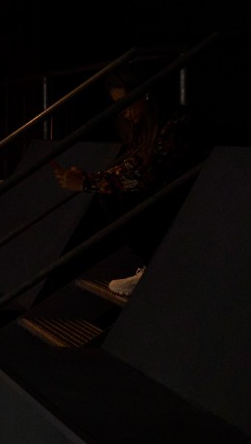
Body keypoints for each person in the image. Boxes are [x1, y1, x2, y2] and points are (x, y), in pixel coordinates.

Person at [52, 65, 197, 297]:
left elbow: (147, 180)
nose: (123, 112)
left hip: (185, 204)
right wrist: (90, 180)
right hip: (163, 199)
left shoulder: (175, 124)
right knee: (112, 197)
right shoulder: (145, 128)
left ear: (146, 95)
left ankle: (159, 268)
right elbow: (131, 168)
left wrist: (87, 184)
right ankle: (153, 265)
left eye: (127, 103)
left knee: (126, 198)